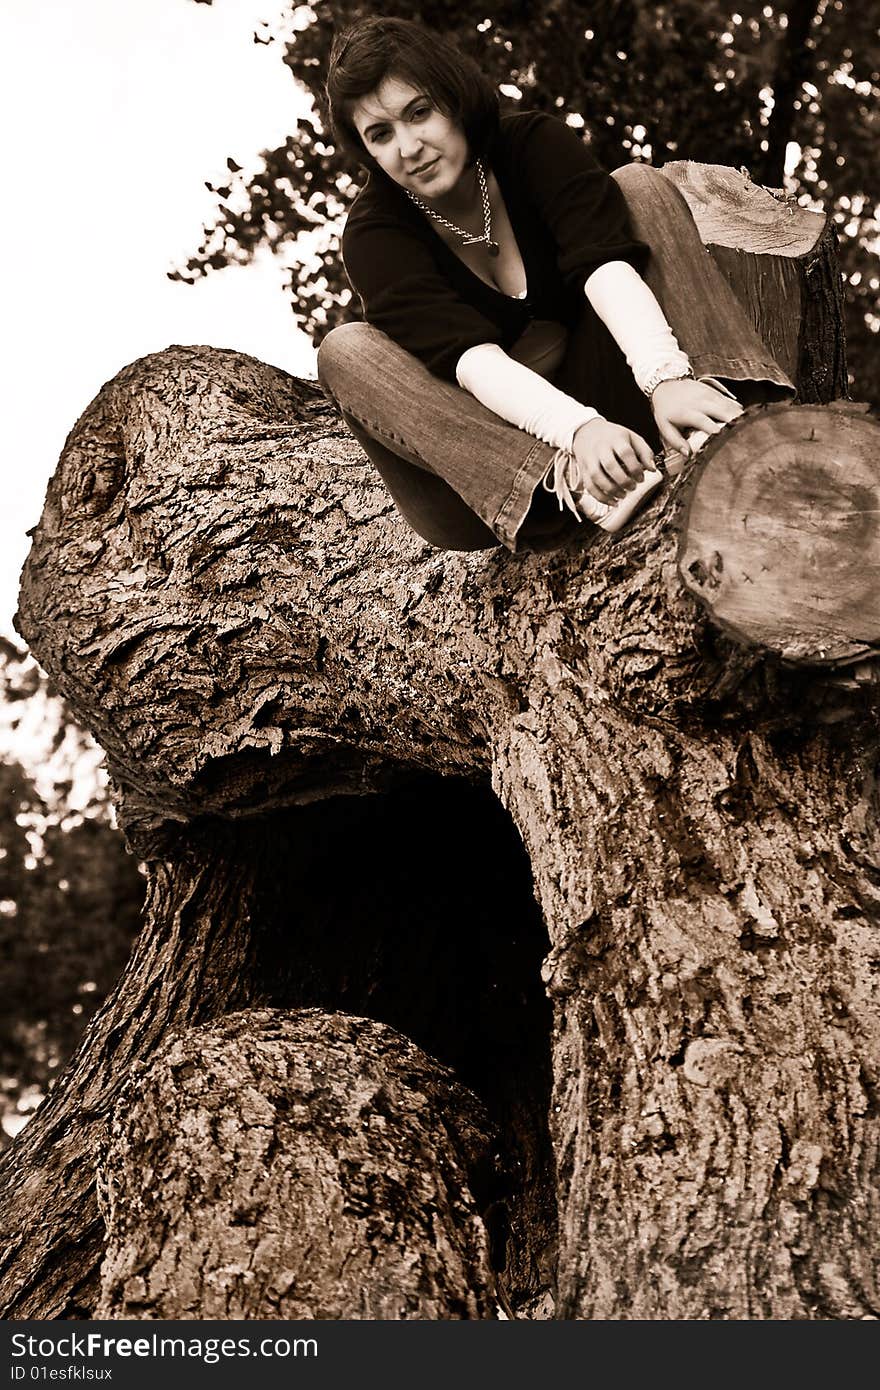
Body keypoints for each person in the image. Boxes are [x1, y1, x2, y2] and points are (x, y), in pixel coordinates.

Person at [317, 16, 795, 553]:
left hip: (616, 404)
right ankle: (566, 482)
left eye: (419, 112)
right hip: (481, 472)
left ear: (452, 100)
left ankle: (708, 409)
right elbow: (471, 362)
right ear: (367, 151)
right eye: (380, 135)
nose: (409, 147)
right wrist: (576, 433)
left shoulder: (530, 144)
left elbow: (604, 265)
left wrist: (664, 378)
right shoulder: (374, 234)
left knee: (637, 185)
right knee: (345, 348)